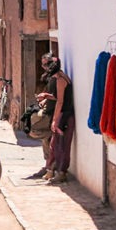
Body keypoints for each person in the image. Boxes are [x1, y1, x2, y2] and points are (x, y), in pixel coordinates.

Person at [39, 53, 74, 184]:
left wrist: (55, 120)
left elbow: (60, 101)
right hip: (63, 115)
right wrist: (46, 96)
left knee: (61, 146)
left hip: (64, 116)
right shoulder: (59, 77)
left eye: (46, 66)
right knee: (55, 145)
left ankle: (61, 172)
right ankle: (52, 170)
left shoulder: (60, 79)